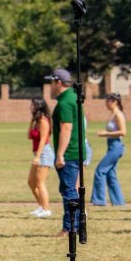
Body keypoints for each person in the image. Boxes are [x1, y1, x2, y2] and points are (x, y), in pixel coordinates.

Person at [45, 68, 82, 239]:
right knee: (70, 190)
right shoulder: (74, 97)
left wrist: (60, 154)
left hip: (69, 154)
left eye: (51, 82)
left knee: (69, 192)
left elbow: (66, 129)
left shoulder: (64, 102)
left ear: (58, 82)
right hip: (76, 151)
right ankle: (76, 225)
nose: (50, 86)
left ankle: (70, 228)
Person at [90, 93, 127, 206]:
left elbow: (123, 132)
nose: (106, 103)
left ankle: (99, 200)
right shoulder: (113, 114)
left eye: (107, 101)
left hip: (116, 146)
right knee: (111, 174)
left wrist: (106, 133)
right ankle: (119, 202)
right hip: (111, 145)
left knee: (100, 171)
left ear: (114, 102)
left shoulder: (118, 115)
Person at [27, 97, 53, 218]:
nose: (30, 107)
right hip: (38, 153)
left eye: (32, 105)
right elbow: (29, 136)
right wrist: (32, 121)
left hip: (44, 154)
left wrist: (37, 157)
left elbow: (43, 140)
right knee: (31, 182)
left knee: (40, 182)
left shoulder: (43, 120)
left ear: (38, 106)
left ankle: (47, 209)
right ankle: (41, 206)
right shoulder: (36, 120)